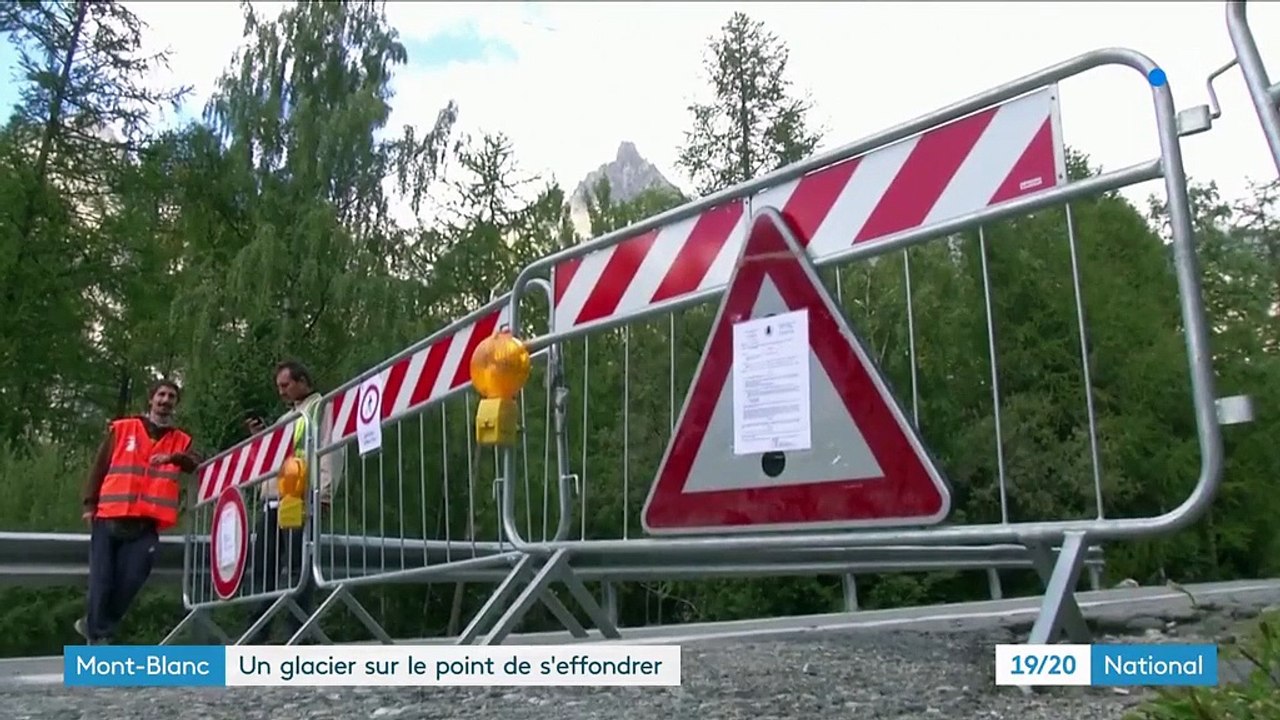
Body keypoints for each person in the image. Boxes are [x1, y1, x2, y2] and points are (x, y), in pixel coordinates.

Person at [76, 379, 201, 645]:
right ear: (151, 399)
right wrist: (89, 504)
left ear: (176, 404)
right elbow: (100, 465)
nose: (165, 400)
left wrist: (175, 459)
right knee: (102, 580)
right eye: (161, 395)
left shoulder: (181, 440)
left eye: (171, 396)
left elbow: (196, 465)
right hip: (109, 516)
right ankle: (100, 637)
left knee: (131, 579)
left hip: (146, 524)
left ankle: (93, 624)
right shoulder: (123, 429)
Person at [243, 360, 343, 643]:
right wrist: (260, 438)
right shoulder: (286, 418)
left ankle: (298, 634)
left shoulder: (321, 408)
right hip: (273, 501)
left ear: (302, 381)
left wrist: (323, 494)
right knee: (264, 569)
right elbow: (273, 460)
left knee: (300, 570)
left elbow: (332, 450)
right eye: (279, 387)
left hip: (301, 500)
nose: (281, 392)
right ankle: (257, 634)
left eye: (285, 385)